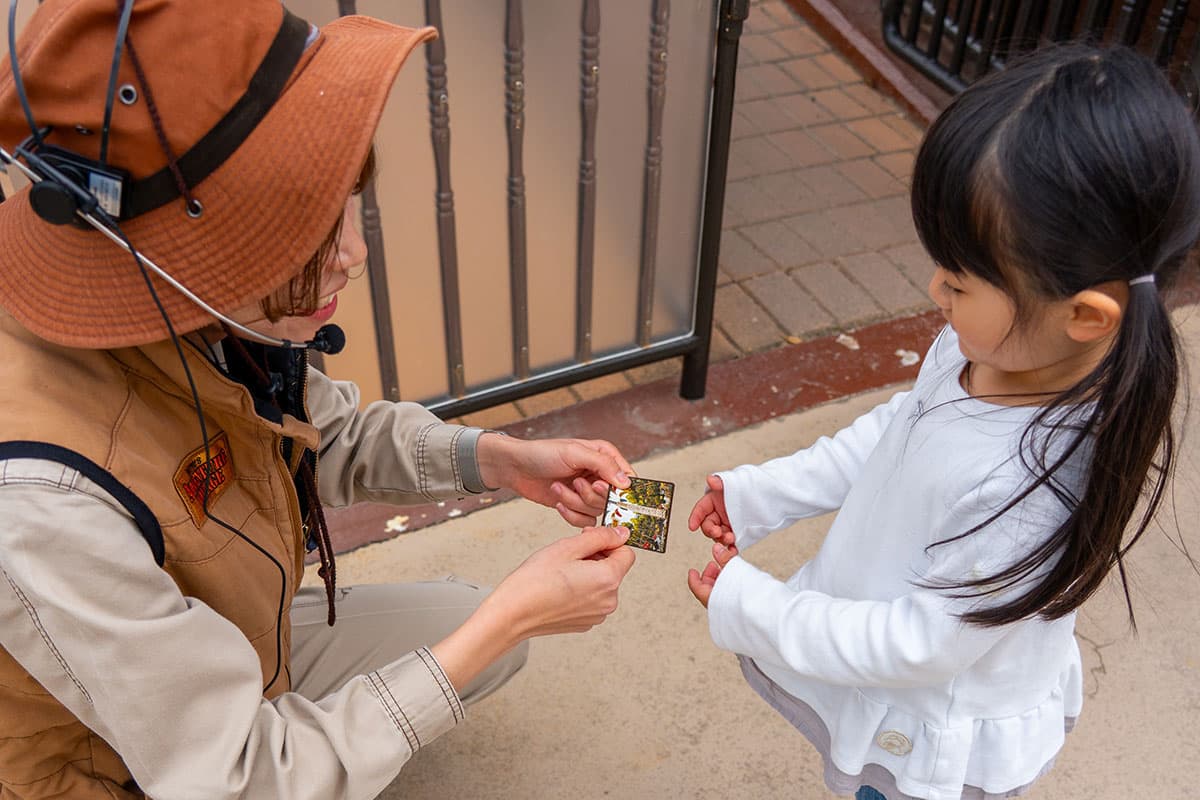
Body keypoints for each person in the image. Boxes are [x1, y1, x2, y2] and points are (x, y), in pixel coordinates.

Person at [0, 1, 638, 798]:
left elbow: (319, 431)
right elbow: (237, 780)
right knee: (487, 633)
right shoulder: (39, 501)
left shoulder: (173, 293)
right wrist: (511, 616)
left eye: (339, 205)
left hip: (226, 649)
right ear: (171, 249)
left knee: (480, 632)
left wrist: (500, 461)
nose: (354, 253)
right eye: (297, 232)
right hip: (100, 761)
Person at [685, 43, 1200, 800]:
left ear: (1084, 314)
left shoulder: (1033, 486)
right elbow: (896, 436)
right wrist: (756, 494)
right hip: (890, 663)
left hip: (926, 734)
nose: (934, 290)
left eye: (958, 280)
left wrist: (752, 604)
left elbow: (918, 647)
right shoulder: (988, 350)